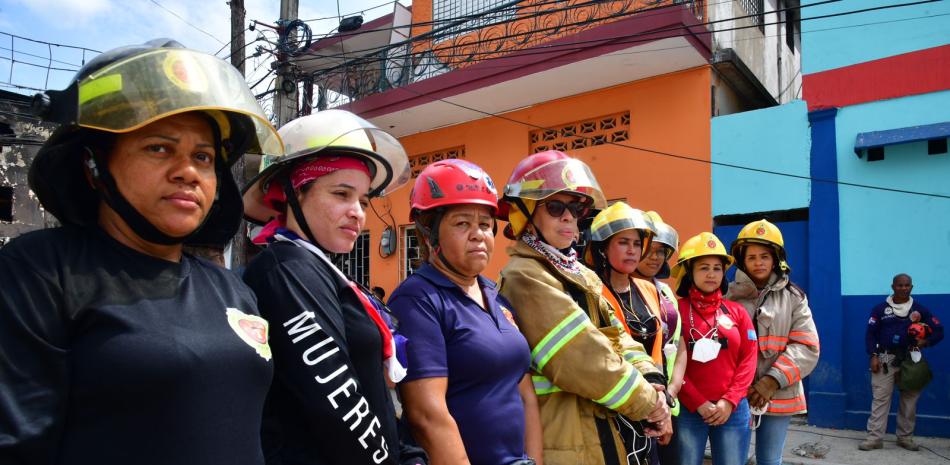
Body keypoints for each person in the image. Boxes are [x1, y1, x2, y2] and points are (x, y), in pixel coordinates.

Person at [0, 40, 282, 464]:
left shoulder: (231, 290)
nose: (188, 171)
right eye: (159, 148)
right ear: (94, 166)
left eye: (203, 157)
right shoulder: (40, 270)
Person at [241, 110, 416, 464]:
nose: (358, 213)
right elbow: (338, 403)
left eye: (364, 200)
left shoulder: (320, 268)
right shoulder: (286, 270)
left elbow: (374, 394)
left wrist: (408, 454)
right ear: (293, 194)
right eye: (341, 194)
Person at [497, 151, 668, 465]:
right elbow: (582, 357)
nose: (568, 217)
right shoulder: (524, 275)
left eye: (576, 208)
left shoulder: (581, 273)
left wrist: (655, 382)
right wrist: (650, 404)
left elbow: (619, 337)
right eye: (555, 206)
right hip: (564, 434)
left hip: (601, 424)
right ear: (526, 213)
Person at [388, 159, 542, 465]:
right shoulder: (418, 299)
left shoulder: (496, 295)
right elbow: (427, 416)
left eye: (485, 224)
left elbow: (525, 394)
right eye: (462, 223)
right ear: (428, 232)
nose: (478, 234)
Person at [582, 202, 671, 464]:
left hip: (651, 407)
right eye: (623, 242)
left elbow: (658, 354)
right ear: (602, 247)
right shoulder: (589, 291)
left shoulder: (649, 289)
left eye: (636, 243)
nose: (632, 250)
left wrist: (662, 403)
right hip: (611, 410)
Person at [726, 219, 820, 465]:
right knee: (733, 458)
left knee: (770, 459)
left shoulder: (794, 297)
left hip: (780, 391)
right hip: (738, 394)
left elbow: (807, 346)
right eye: (752, 257)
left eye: (765, 256)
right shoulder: (727, 297)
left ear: (776, 259)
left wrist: (771, 381)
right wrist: (738, 385)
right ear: (741, 261)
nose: (758, 262)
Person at [670, 232, 756, 465]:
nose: (711, 274)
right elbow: (670, 363)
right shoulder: (674, 312)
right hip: (689, 410)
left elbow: (749, 359)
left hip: (733, 409)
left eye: (717, 268)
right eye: (703, 267)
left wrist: (729, 400)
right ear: (689, 272)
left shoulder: (737, 312)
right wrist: (698, 402)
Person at [860, 273, 943, 451]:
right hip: (885, 359)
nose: (903, 288)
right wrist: (873, 355)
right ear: (893, 287)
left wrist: (926, 342)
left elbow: (938, 331)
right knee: (880, 399)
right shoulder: (880, 309)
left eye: (907, 285)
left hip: (911, 359)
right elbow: (870, 334)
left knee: (909, 400)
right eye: (900, 285)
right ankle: (874, 438)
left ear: (911, 287)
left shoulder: (920, 310)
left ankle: (905, 438)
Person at [631, 211, 684, 465]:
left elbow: (678, 343)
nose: (656, 257)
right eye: (650, 249)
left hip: (669, 401)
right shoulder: (619, 288)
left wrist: (672, 389)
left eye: (662, 251)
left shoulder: (665, 292)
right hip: (639, 400)